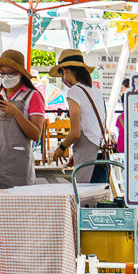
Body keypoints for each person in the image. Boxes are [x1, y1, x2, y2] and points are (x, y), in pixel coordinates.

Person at [0, 49, 44, 189]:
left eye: (11, 72)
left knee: (19, 206)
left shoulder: (32, 96)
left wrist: (16, 113)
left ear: (20, 73)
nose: (6, 77)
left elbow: (36, 134)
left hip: (17, 164)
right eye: (2, 73)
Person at [49, 50, 108, 183]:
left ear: (64, 71)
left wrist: (61, 148)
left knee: (85, 199)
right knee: (98, 199)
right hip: (102, 154)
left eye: (61, 75)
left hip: (89, 157)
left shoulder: (75, 91)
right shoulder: (94, 90)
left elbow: (75, 132)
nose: (62, 79)